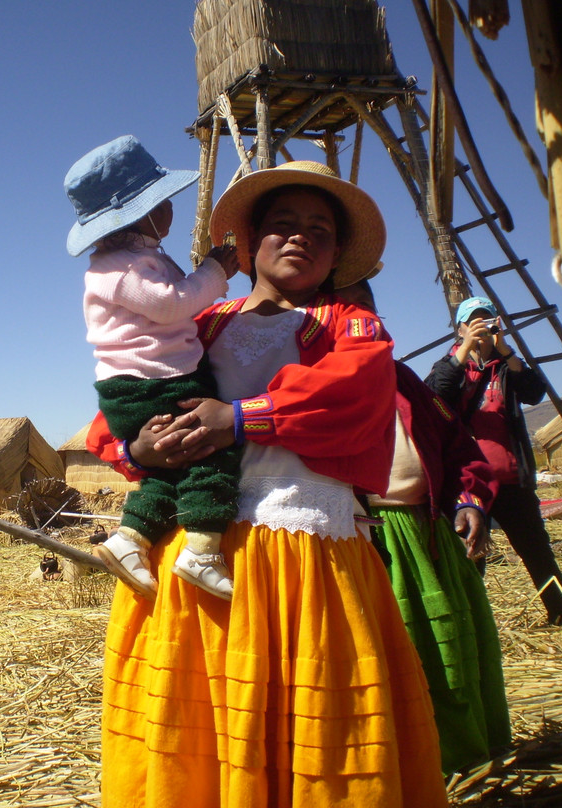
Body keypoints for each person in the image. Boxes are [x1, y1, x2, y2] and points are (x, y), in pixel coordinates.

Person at [88, 161, 448, 806]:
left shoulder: (351, 326)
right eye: (282, 224)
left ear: (336, 252)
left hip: (306, 551)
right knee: (201, 727)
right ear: (250, 241)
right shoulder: (200, 322)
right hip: (194, 552)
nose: (299, 236)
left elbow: (353, 396)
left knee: (315, 733)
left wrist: (239, 418)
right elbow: (133, 397)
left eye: (319, 229)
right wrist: (137, 448)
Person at [338, 278, 511, 775]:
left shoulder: (404, 381)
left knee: (447, 645)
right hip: (365, 536)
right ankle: (400, 768)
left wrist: (468, 500)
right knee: (388, 654)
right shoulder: (311, 381)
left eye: (368, 309)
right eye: (346, 311)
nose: (361, 321)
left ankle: (459, 757)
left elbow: (457, 443)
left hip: (424, 531)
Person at [65, 135, 241, 600]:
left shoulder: (130, 261)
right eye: (163, 202)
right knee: (211, 452)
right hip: (155, 382)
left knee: (170, 471)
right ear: (141, 214)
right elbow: (171, 304)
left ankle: (129, 541)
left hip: (135, 386)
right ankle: (202, 552)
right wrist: (214, 271)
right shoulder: (122, 268)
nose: (171, 210)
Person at [425, 295, 562, 625]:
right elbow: (436, 397)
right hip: (469, 484)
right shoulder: (449, 365)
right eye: (473, 322)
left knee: (536, 550)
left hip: (511, 481)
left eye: (487, 321)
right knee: (471, 555)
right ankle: (474, 625)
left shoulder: (506, 366)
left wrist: (505, 349)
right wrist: (465, 349)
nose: (481, 328)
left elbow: (534, 392)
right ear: (460, 328)